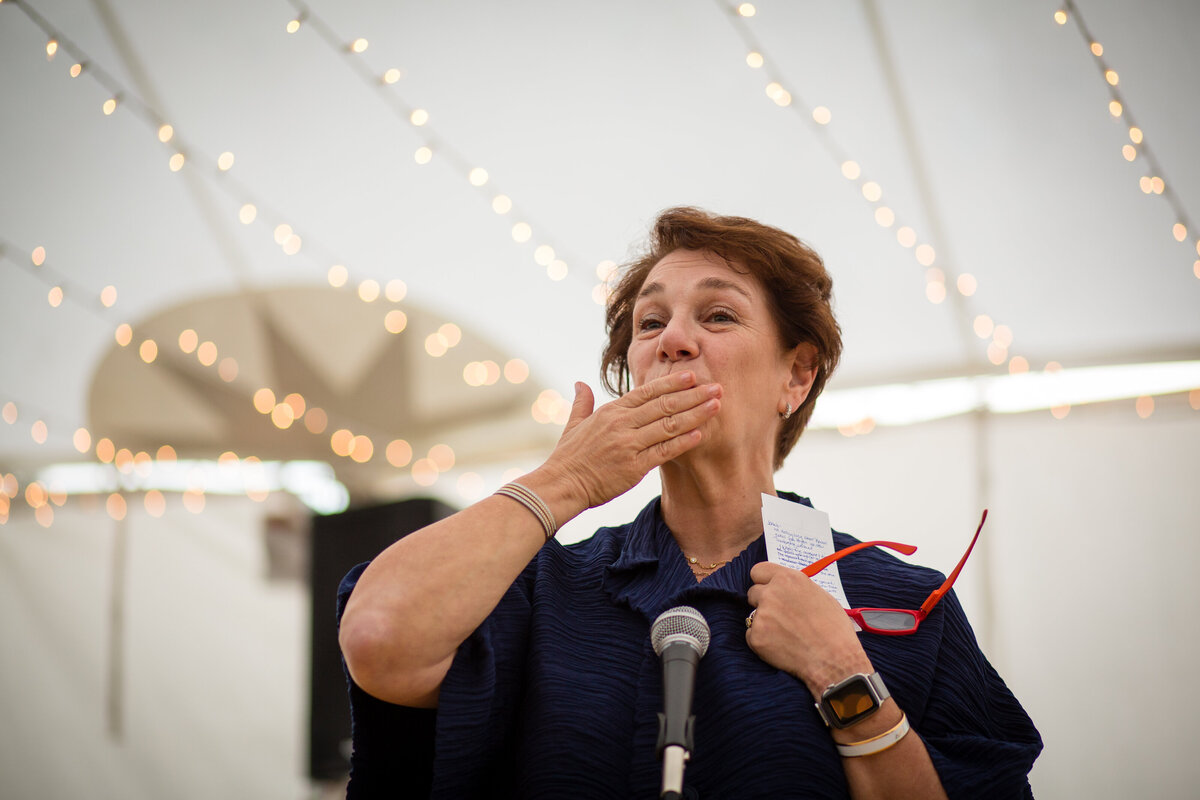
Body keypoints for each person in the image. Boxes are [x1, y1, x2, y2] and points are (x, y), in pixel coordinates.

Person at [336, 207, 1042, 798]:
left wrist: (845, 677)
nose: (673, 340)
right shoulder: (541, 589)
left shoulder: (903, 607)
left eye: (718, 315)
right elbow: (377, 635)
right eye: (650, 325)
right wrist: (564, 484)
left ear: (795, 375)